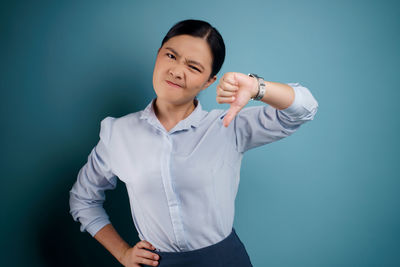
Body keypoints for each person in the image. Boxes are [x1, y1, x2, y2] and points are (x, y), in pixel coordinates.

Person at [69, 19, 319, 267]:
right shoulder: (118, 132)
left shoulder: (227, 126)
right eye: (171, 56)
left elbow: (304, 109)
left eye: (194, 67)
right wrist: (123, 253)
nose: (177, 71)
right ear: (158, 55)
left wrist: (255, 87)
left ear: (209, 81)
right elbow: (83, 199)